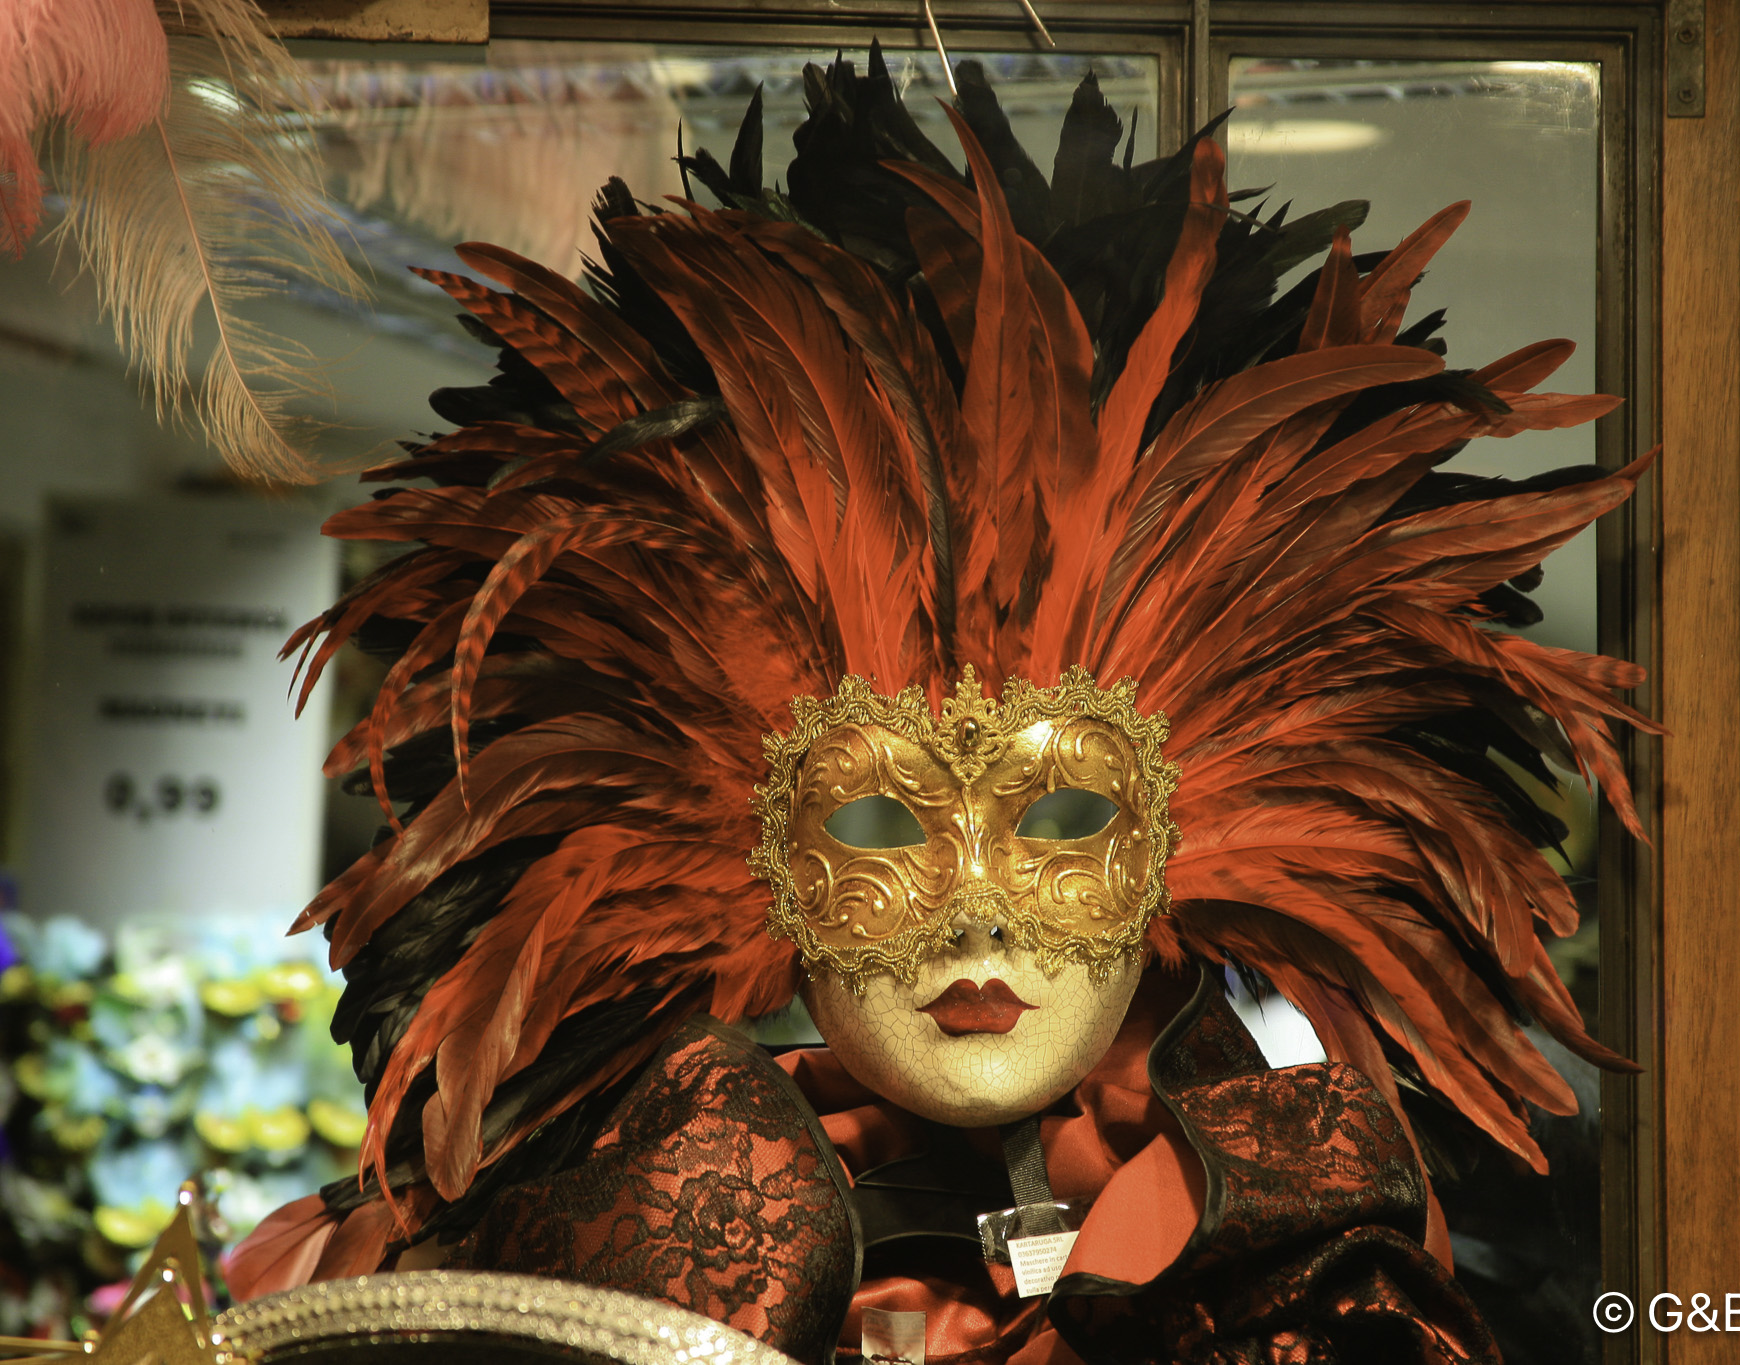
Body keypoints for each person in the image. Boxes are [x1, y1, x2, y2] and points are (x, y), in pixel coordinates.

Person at [226, 50, 1653, 1365]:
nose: (977, 920)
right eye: (876, 822)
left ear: (1184, 837)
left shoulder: (1308, 1266)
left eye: (1063, 815)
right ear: (752, 857)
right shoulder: (642, 1216)